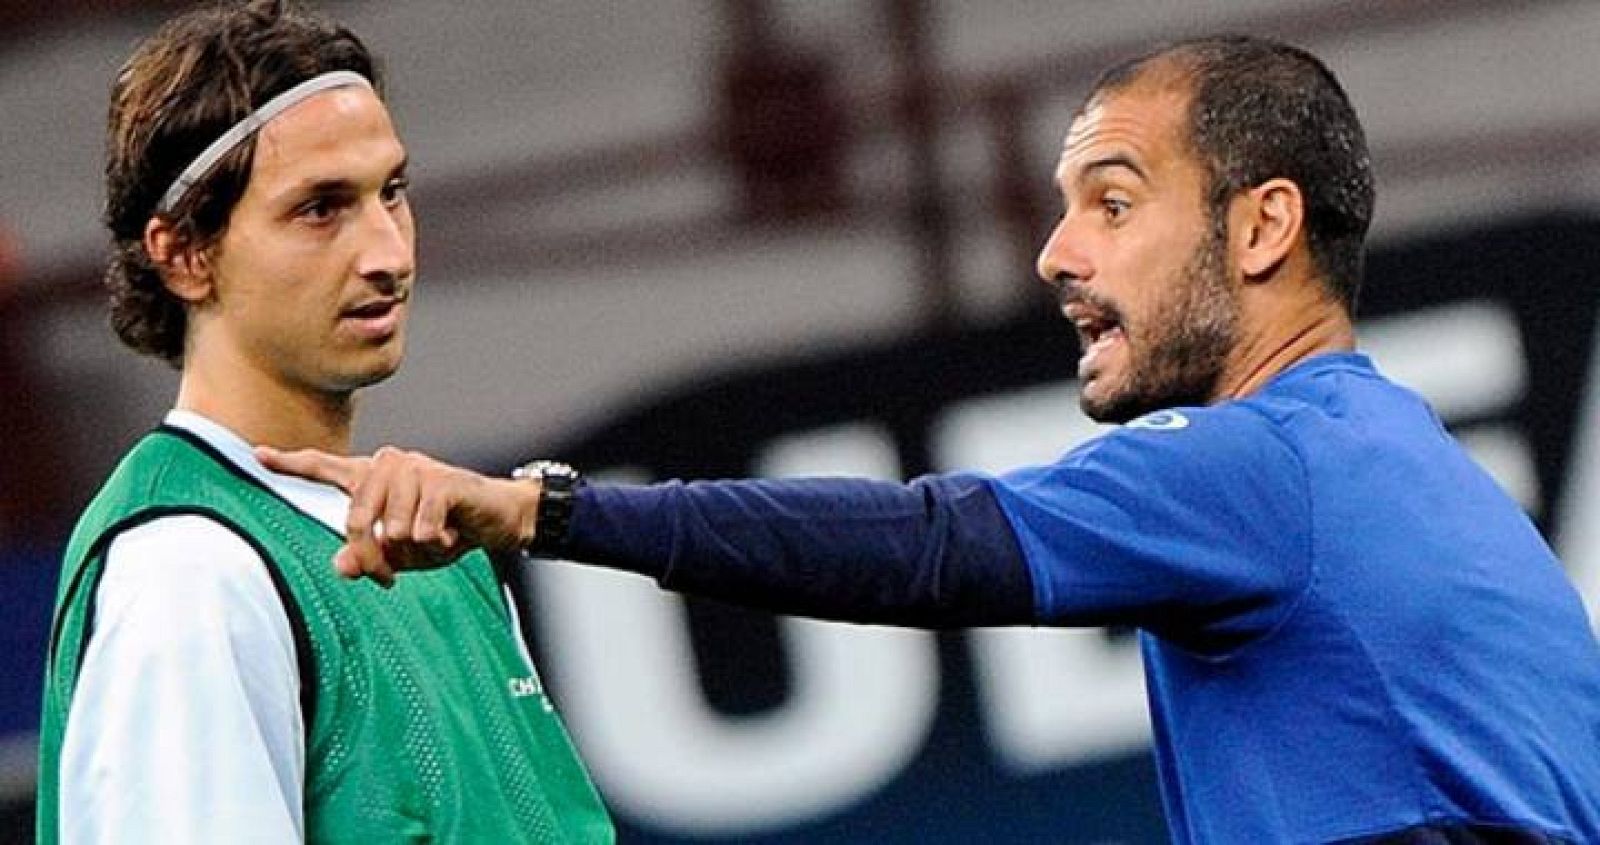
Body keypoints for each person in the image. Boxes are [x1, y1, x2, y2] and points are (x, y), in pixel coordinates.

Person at [260, 36, 1600, 844]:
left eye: (1112, 203)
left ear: (1262, 228)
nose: (1056, 253)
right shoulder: (1409, 466)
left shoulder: (1261, 465)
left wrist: (544, 510)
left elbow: (929, 542)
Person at [35, 2, 613, 842]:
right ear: (184, 253)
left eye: (392, 193)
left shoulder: (442, 548)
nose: (388, 254)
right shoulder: (188, 573)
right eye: (320, 208)